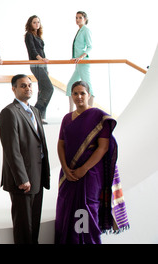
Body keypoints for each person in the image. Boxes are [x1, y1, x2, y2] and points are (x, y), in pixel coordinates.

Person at [55, 81, 129, 244]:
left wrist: (83, 169)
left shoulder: (99, 117)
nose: (79, 97)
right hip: (68, 174)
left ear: (89, 95)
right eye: (75, 93)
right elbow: (60, 144)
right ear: (71, 96)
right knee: (66, 210)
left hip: (90, 175)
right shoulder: (67, 118)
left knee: (86, 211)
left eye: (82, 93)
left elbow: (102, 148)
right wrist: (66, 168)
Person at [0, 74, 50, 244]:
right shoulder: (9, 112)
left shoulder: (34, 111)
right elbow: (11, 149)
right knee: (23, 229)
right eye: (23, 86)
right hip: (23, 180)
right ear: (13, 89)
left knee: (34, 226)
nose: (28, 88)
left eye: (29, 85)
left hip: (38, 176)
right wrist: (22, 178)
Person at [24, 15, 53, 123]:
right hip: (36, 63)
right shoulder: (29, 35)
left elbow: (42, 51)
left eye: (38, 22)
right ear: (30, 24)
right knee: (49, 88)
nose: (37, 24)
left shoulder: (38, 35)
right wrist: (41, 60)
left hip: (42, 64)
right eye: (34, 22)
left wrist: (46, 67)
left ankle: (41, 117)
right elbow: (32, 50)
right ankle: (34, 112)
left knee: (42, 90)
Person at [67, 11, 94, 112]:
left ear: (85, 19)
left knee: (88, 85)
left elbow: (90, 47)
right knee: (70, 85)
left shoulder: (86, 30)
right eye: (76, 18)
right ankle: (70, 112)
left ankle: (90, 111)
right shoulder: (80, 30)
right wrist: (75, 57)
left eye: (80, 18)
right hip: (78, 63)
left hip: (84, 62)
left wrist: (81, 57)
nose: (77, 20)